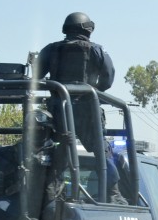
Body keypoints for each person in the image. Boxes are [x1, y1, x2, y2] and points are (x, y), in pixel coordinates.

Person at [34, 12, 124, 203]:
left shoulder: (51, 49)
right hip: (87, 110)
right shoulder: (97, 50)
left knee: (57, 149)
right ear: (88, 29)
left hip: (59, 111)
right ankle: (113, 194)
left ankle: (51, 195)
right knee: (102, 152)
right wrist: (92, 91)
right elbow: (108, 78)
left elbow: (36, 75)